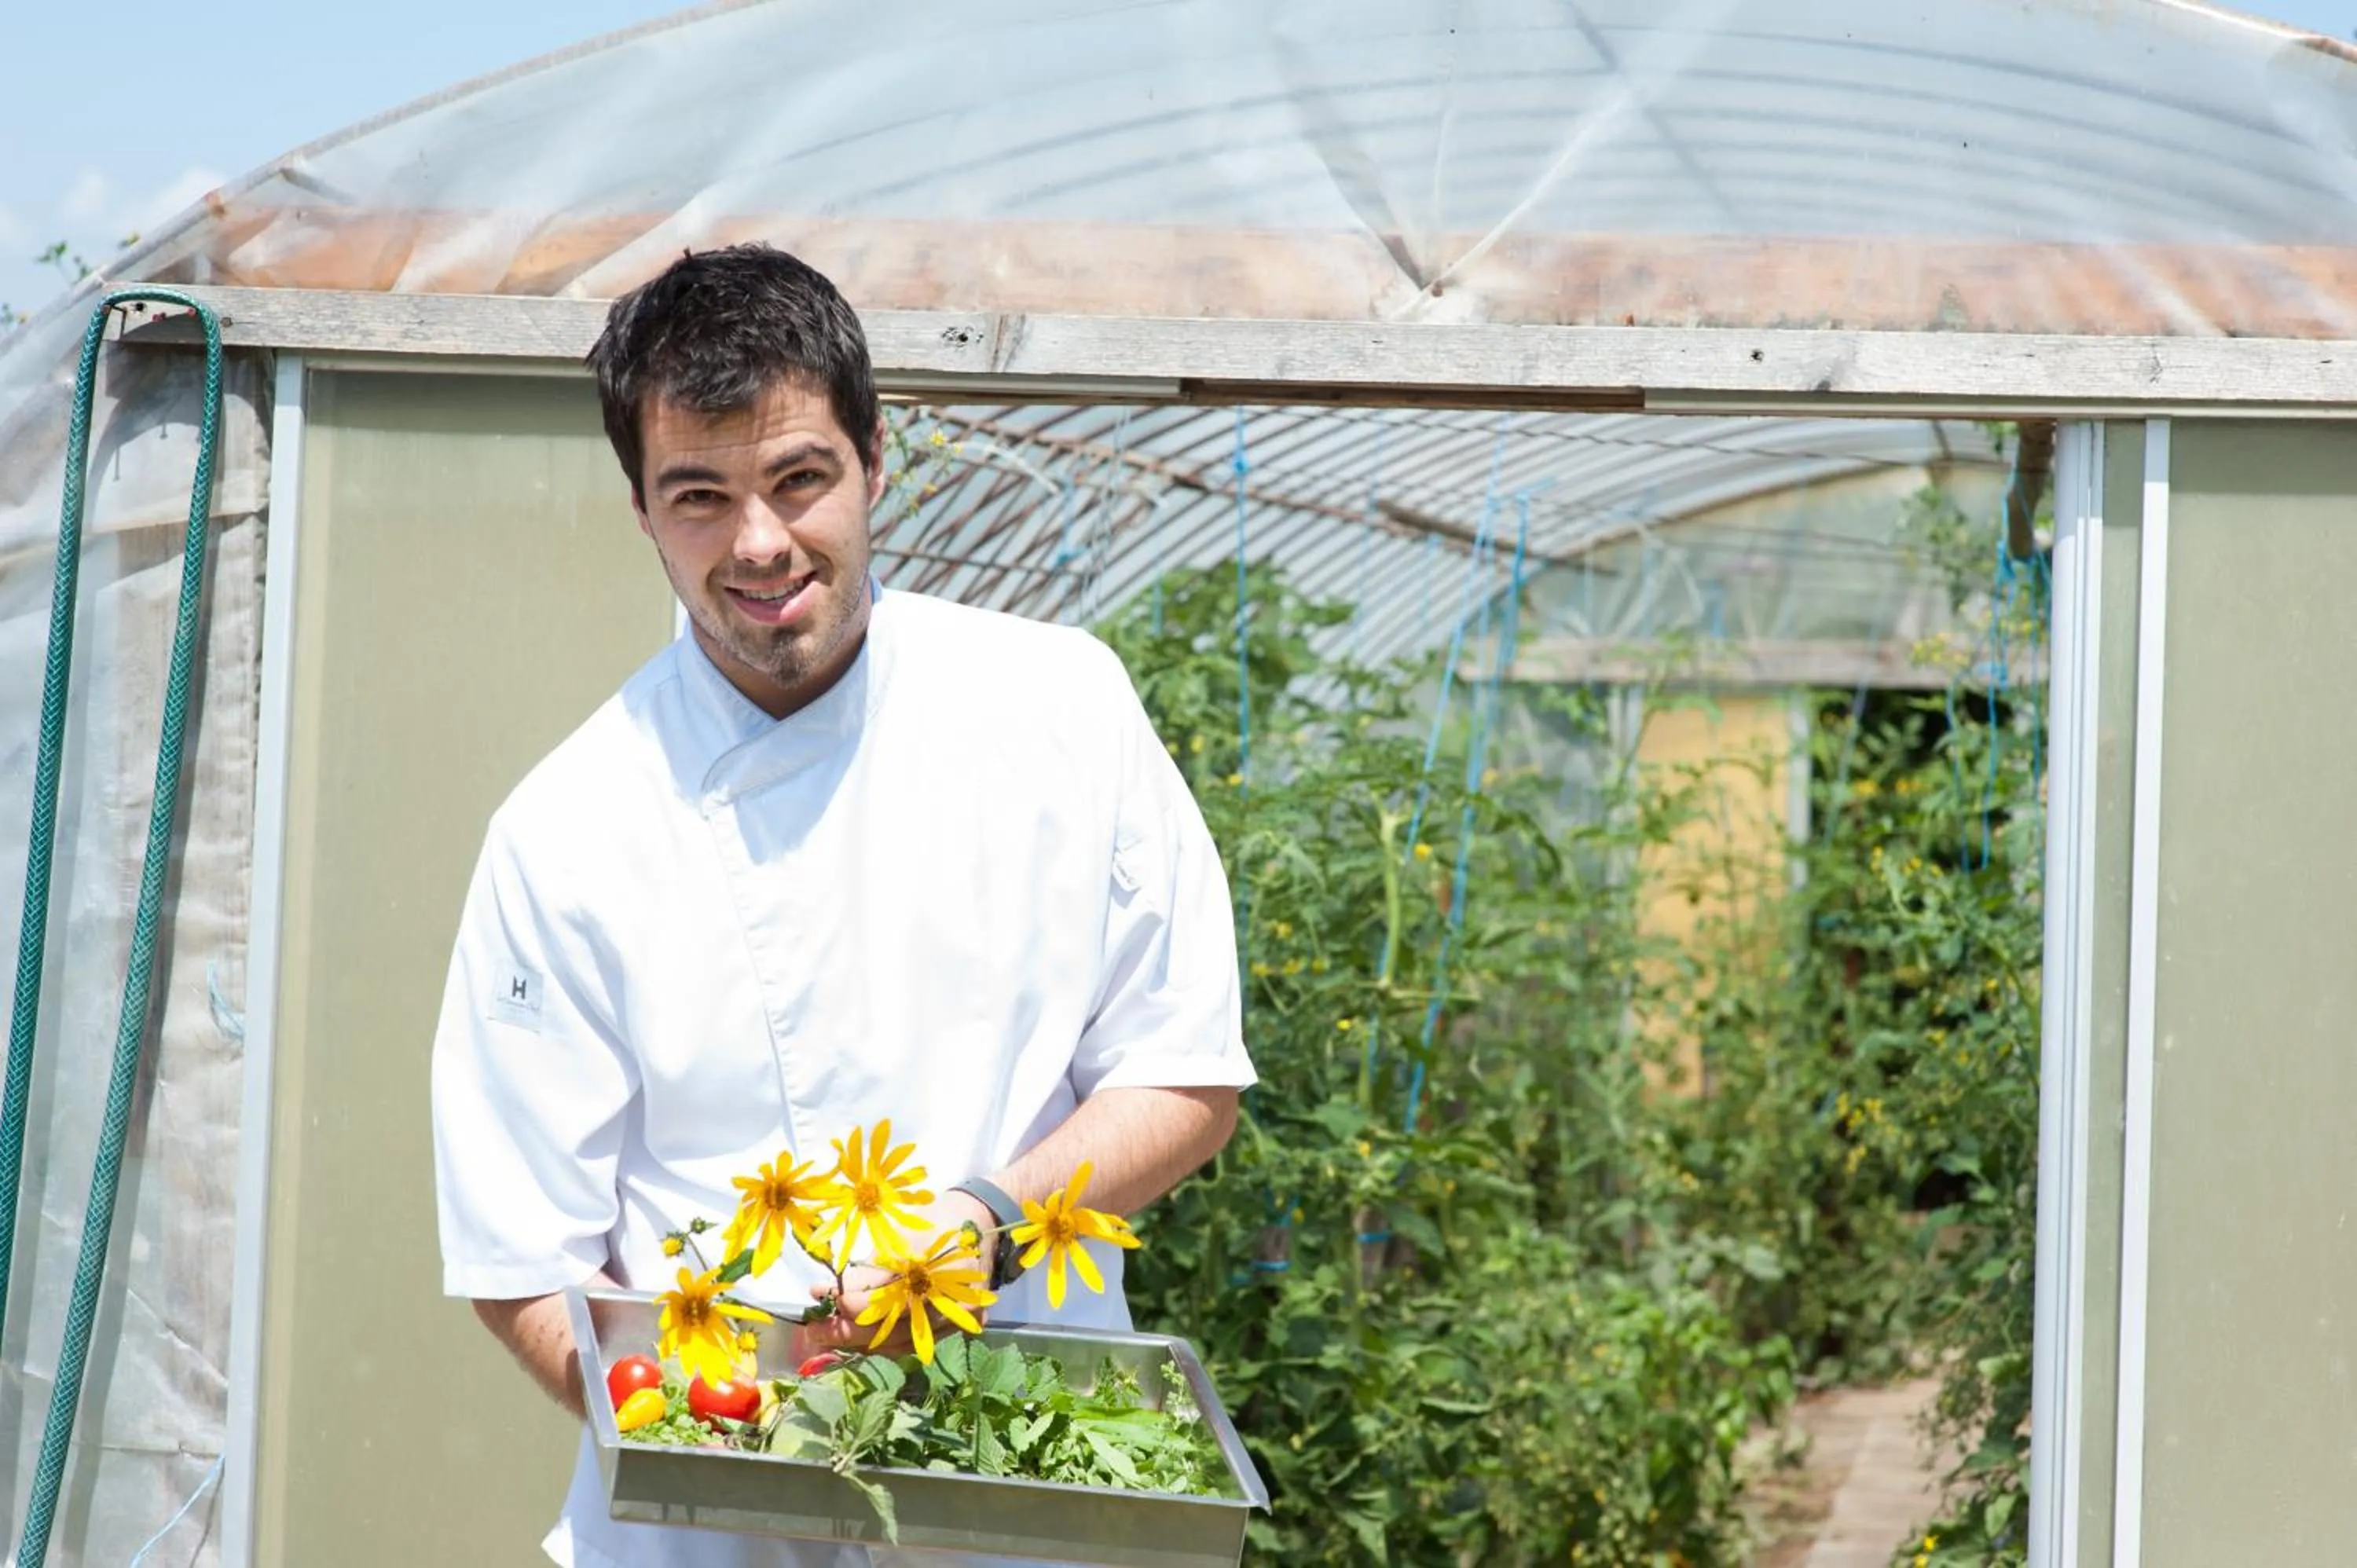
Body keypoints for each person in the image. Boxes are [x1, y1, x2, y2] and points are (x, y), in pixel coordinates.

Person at [428, 243, 1252, 1568]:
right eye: (699, 496)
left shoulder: (1059, 712)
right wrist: (734, 1441)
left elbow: (1184, 1078)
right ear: (641, 509)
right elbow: (523, 1257)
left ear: (877, 458)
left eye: (799, 479)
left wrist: (985, 1224)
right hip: (707, 1529)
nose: (760, 544)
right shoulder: (568, 831)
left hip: (1027, 1491)